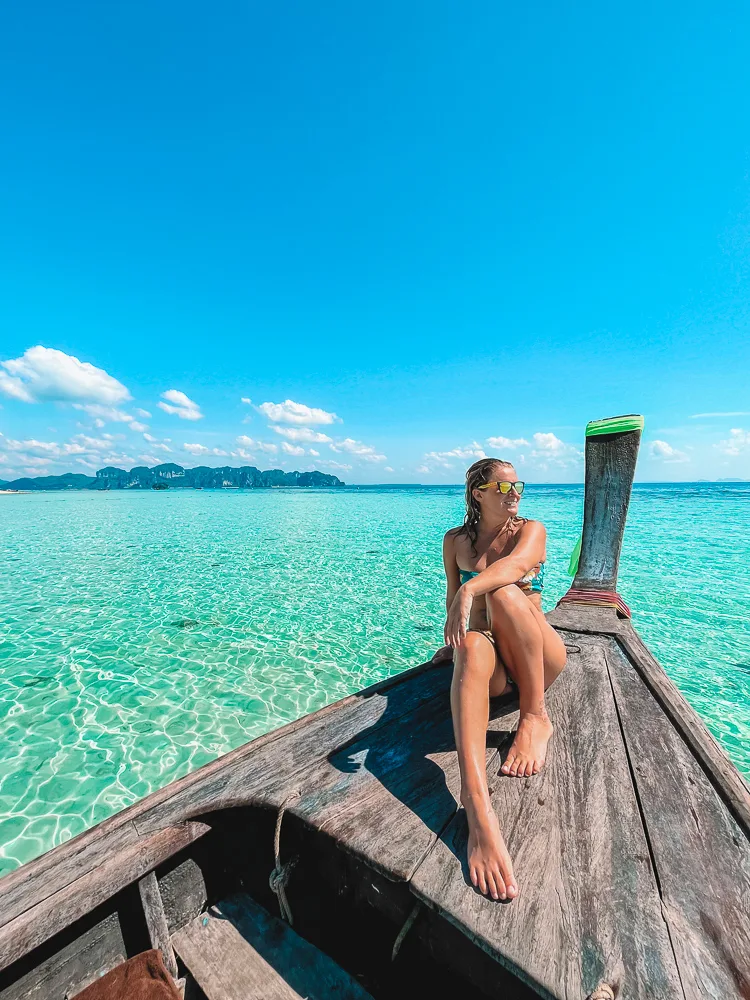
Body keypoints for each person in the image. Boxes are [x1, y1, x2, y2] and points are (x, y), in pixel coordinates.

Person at [431, 458, 567, 901]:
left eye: (518, 485)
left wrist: (474, 588)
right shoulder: (455, 542)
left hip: (535, 656)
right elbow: (455, 604)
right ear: (478, 493)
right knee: (470, 646)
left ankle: (535, 717)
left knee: (505, 593)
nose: (515, 493)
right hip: (490, 657)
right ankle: (478, 809)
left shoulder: (531, 530)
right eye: (503, 486)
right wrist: (452, 646)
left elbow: (513, 569)